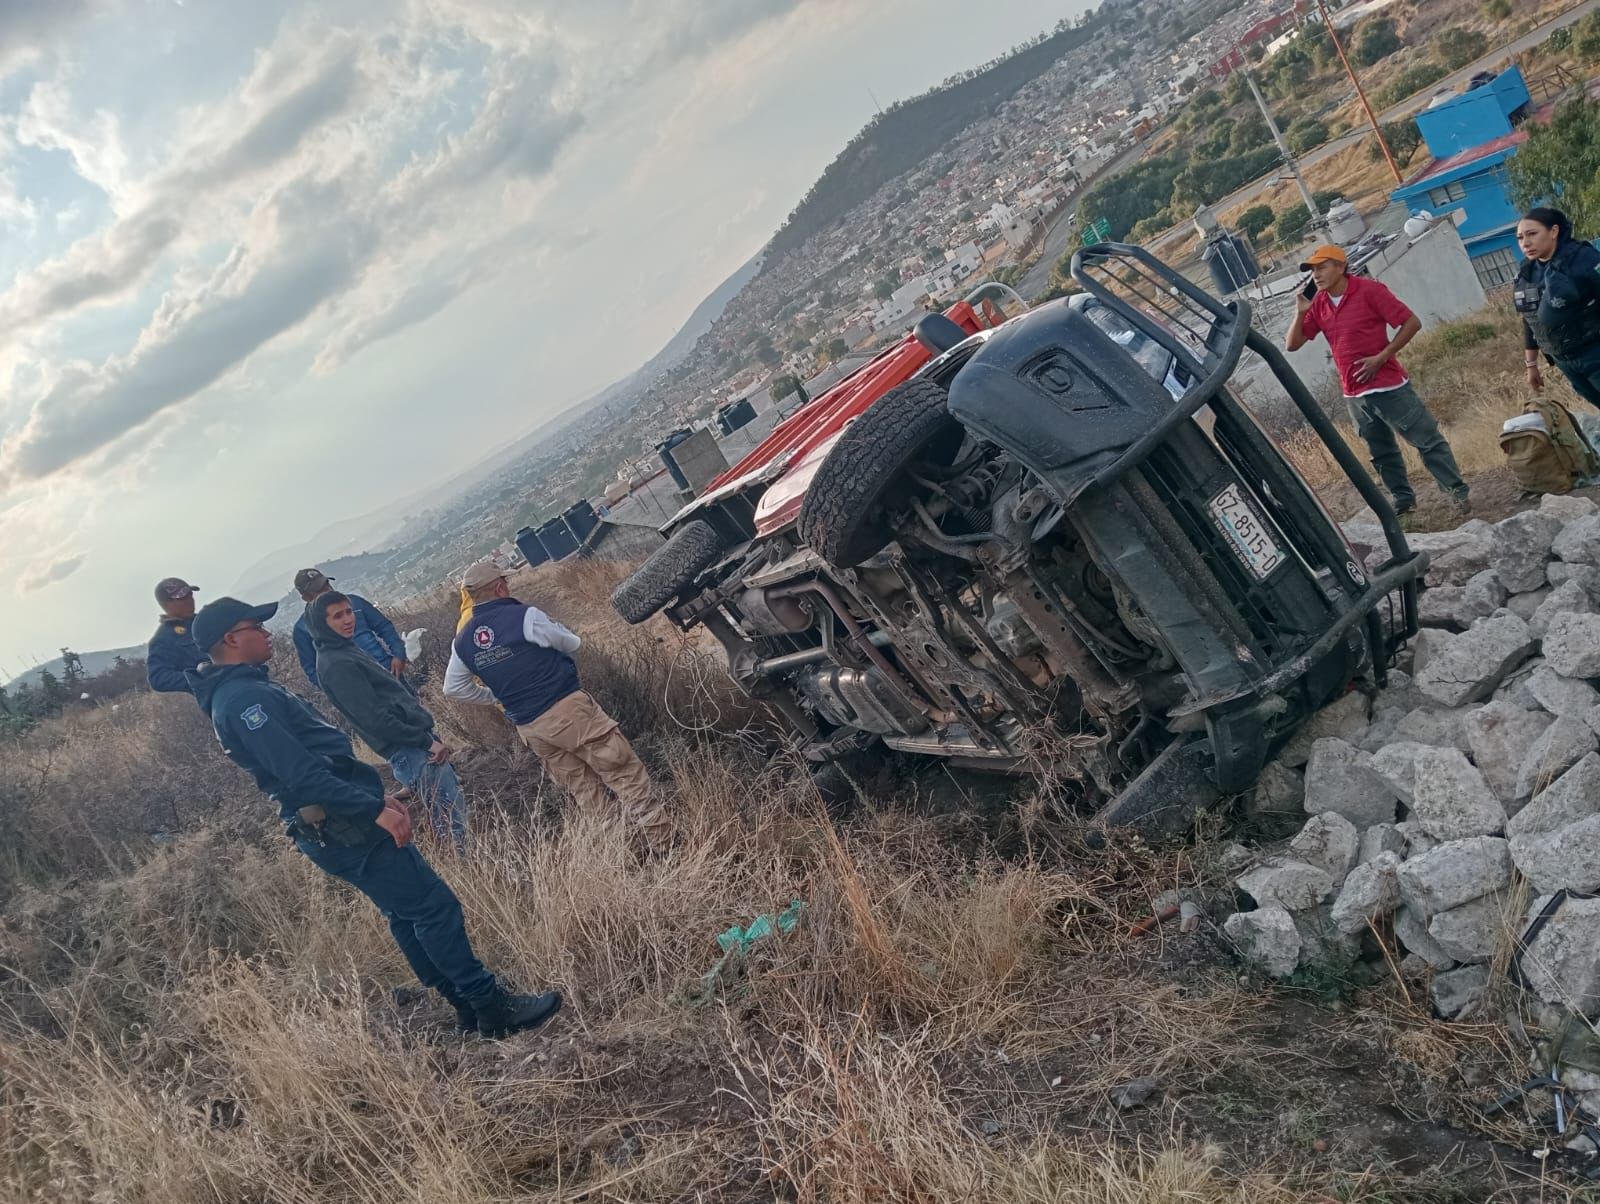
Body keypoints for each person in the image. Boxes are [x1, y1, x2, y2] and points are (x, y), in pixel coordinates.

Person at [187, 595, 560, 1038]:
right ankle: (491, 1006)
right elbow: (303, 775)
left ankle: (466, 1007)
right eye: (256, 627)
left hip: (340, 821)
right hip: (346, 828)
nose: (268, 634)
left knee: (406, 914)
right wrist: (372, 810)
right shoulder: (246, 700)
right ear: (231, 639)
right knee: (434, 908)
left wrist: (377, 798)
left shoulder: (240, 692)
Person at [443, 562, 670, 846]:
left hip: (530, 728)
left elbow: (452, 688)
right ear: (500, 587)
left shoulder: (462, 641)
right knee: (623, 773)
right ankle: (663, 843)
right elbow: (571, 643)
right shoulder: (523, 617)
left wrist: (495, 696)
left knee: (585, 790)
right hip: (568, 712)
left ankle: (626, 849)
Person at [1287, 243, 1469, 519]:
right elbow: (1292, 345)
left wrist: (1382, 357)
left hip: (1389, 386)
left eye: (1322, 267)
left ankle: (1457, 494)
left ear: (1341, 267)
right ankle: (1404, 501)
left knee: (1426, 440)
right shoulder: (1319, 304)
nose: (1316, 275)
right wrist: (1301, 312)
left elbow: (1411, 322)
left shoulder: (1370, 290)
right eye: (1312, 270)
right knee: (1381, 452)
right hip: (1354, 393)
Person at [305, 590, 469, 850]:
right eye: (337, 616)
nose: (348, 620)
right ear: (321, 624)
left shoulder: (344, 650)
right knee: (451, 818)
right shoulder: (336, 665)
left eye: (349, 612)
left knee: (450, 812)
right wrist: (425, 741)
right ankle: (469, 867)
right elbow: (375, 718)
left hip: (412, 745)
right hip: (409, 749)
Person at [1515, 207, 1600, 409]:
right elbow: (1530, 320)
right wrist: (1532, 365)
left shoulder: (1584, 259)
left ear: (1554, 232)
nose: (1525, 243)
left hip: (1594, 351)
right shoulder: (1528, 272)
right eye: (1520, 238)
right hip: (1564, 360)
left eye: (1532, 234)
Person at [290, 568, 408, 690]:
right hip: (358, 689)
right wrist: (340, 690)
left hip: (388, 671)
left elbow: (384, 626)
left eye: (327, 584)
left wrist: (399, 654)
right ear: (306, 598)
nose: (327, 590)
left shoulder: (354, 602)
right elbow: (312, 669)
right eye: (319, 590)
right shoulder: (303, 629)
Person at [147, 577, 205, 694]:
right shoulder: (163, 638)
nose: (190, 600)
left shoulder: (205, 620)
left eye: (190, 595)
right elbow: (158, 678)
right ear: (166, 604)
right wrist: (200, 677)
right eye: (182, 598)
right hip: (217, 695)